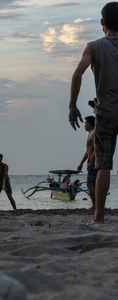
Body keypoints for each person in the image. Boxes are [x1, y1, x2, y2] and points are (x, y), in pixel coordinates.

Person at [68, 2, 118, 223]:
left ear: (102, 23)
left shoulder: (94, 47)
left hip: (106, 113)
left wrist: (72, 105)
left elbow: (77, 75)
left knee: (103, 165)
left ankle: (98, 216)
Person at [76, 116, 96, 210]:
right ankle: (97, 205)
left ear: (89, 124)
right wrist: (81, 163)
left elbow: (96, 149)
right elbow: (88, 150)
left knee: (90, 183)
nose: (84, 125)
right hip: (91, 160)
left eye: (85, 123)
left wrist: (91, 161)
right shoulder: (90, 135)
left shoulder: (93, 134)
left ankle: (95, 205)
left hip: (94, 161)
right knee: (93, 184)